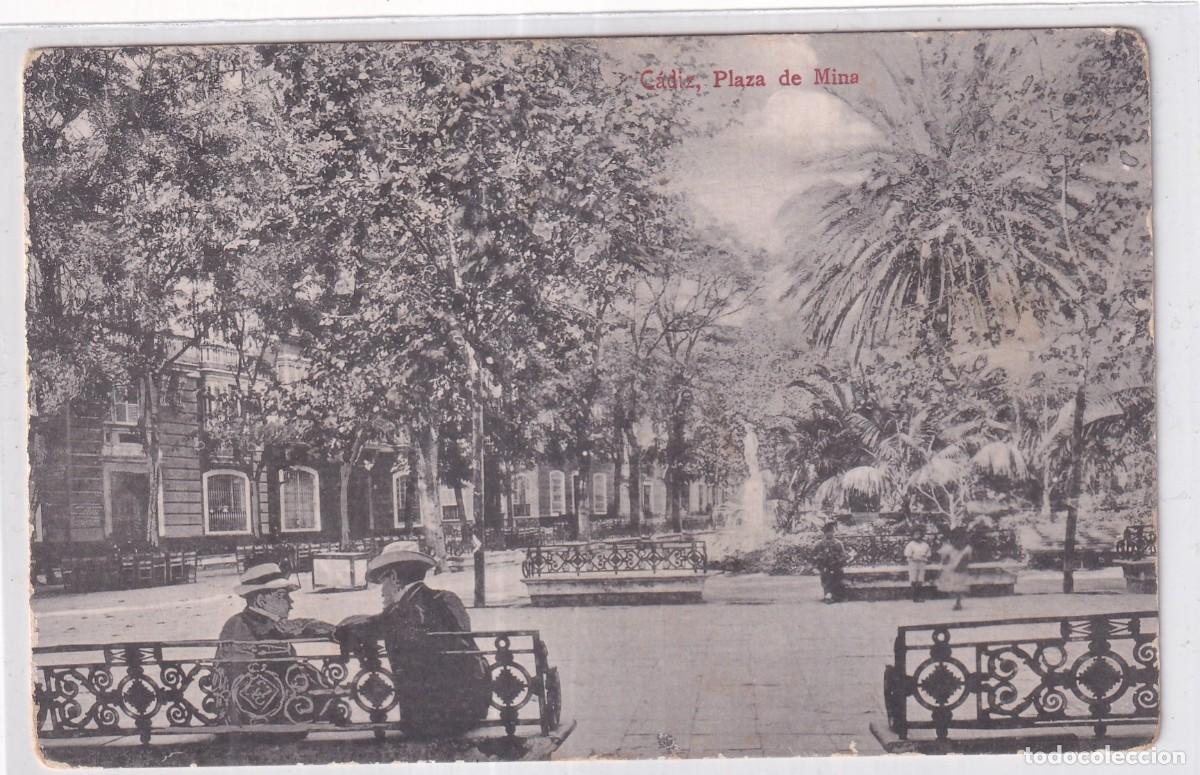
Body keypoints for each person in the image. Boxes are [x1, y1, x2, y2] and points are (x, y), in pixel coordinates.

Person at [334, 541, 491, 737]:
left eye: (383, 582)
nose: (382, 591)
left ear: (394, 578)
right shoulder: (446, 598)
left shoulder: (404, 610)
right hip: (473, 708)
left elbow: (372, 626)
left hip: (433, 719)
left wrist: (340, 630)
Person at [214, 563, 336, 726]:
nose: (290, 602)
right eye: (281, 596)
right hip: (256, 710)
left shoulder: (246, 620)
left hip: (247, 706)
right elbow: (290, 629)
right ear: (261, 600)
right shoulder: (254, 624)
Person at [811, 521, 850, 603]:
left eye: (832, 532)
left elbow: (843, 555)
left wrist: (838, 560)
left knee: (838, 578)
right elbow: (815, 556)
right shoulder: (820, 544)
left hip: (836, 566)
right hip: (825, 566)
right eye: (828, 532)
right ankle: (828, 595)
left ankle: (835, 596)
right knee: (826, 577)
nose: (830, 534)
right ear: (825, 533)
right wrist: (819, 560)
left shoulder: (838, 543)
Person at [937, 527, 973, 611]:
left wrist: (960, 566)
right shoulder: (949, 548)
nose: (958, 541)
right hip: (951, 568)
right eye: (955, 539)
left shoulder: (967, 549)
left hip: (960, 569)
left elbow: (965, 560)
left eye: (961, 538)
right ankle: (955, 601)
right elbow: (945, 559)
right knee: (952, 586)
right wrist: (945, 565)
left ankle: (958, 602)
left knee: (959, 586)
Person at [903, 524, 932, 603]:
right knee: (913, 579)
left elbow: (928, 554)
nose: (917, 536)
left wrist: (924, 557)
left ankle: (919, 596)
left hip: (922, 563)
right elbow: (908, 554)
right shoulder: (910, 545)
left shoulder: (925, 545)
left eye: (919, 534)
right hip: (913, 563)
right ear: (912, 535)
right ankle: (915, 597)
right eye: (915, 534)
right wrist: (914, 557)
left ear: (922, 535)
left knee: (920, 579)